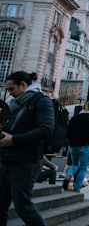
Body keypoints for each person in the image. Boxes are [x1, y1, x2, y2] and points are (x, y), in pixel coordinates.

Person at [0, 70, 54, 226]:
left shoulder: (41, 101)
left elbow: (46, 129)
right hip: (7, 159)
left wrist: (14, 140)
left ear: (23, 85)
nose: (10, 93)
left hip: (26, 161)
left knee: (23, 207)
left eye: (12, 89)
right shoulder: (14, 104)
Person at [62, 101, 89, 193]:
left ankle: (69, 174)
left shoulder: (75, 118)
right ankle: (77, 187)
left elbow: (68, 132)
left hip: (74, 146)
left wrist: (71, 141)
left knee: (75, 164)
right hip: (85, 145)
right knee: (83, 167)